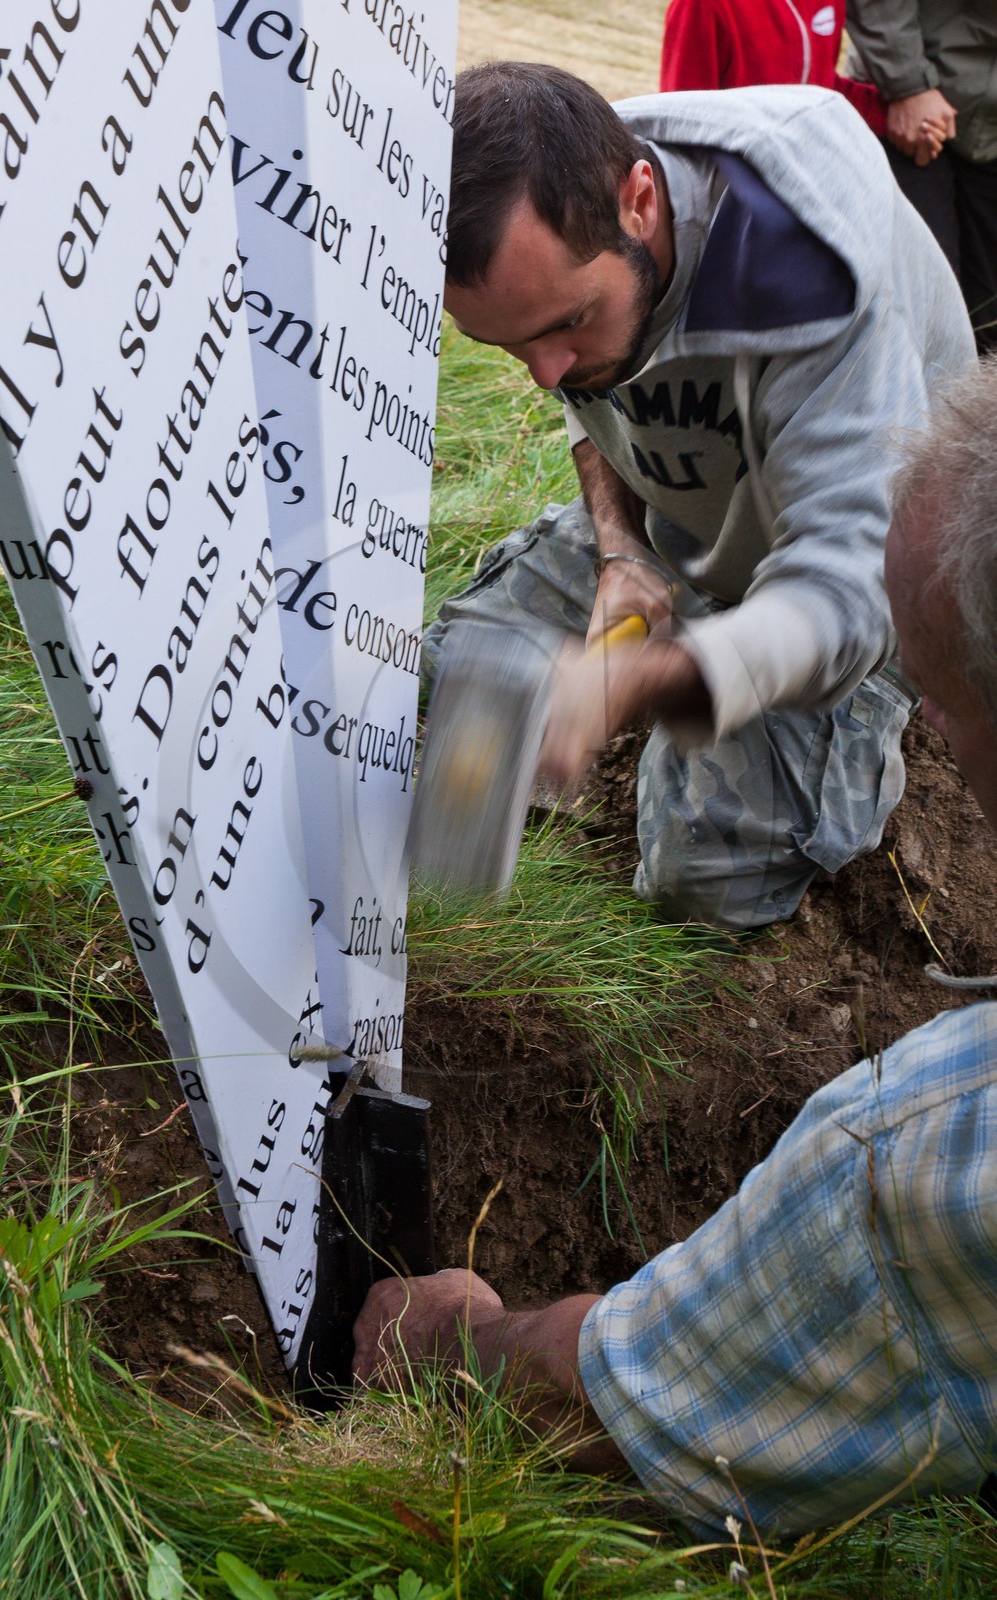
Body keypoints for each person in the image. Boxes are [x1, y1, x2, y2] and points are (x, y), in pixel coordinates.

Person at [354, 357, 997, 1540]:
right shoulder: (623, 308)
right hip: (686, 557)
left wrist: (457, 1343)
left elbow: (642, 1400)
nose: (942, 736)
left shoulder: (927, 1151)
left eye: (944, 700)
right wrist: (619, 554)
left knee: (713, 862)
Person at [423, 62, 974, 932]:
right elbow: (593, 403)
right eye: (509, 347)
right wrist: (620, 551)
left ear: (639, 200)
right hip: (691, 512)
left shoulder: (804, 261)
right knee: (441, 674)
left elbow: (846, 592)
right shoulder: (569, 226)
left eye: (565, 323)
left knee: (702, 877)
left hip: (867, 576)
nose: (542, 375)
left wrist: (643, 681)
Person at [845, 1, 997, 353]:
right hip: (909, 102)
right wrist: (906, 83)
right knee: (921, 320)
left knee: (988, 325)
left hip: (985, 121)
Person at [660, 0, 888, 139]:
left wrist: (894, 114)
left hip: (805, 179)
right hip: (734, 193)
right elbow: (679, 120)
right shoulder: (701, 5)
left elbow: (822, 86)